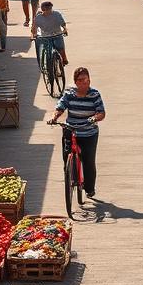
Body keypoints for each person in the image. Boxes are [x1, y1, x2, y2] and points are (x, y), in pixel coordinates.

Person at [50, 67, 106, 200]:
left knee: (88, 161)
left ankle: (89, 188)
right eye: (80, 80)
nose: (84, 83)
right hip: (71, 130)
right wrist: (54, 117)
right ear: (75, 82)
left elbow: (101, 113)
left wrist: (94, 118)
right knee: (67, 157)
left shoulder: (94, 95)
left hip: (88, 133)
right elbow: (60, 107)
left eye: (86, 80)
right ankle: (70, 177)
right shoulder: (69, 94)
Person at [33, 0, 69, 66]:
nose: (47, 11)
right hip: (45, 36)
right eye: (45, 9)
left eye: (49, 9)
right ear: (42, 10)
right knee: (46, 49)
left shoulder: (56, 14)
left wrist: (64, 29)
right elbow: (34, 27)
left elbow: (62, 23)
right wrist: (34, 35)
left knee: (60, 47)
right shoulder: (38, 18)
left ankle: (64, 59)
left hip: (57, 34)